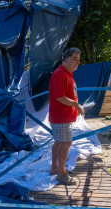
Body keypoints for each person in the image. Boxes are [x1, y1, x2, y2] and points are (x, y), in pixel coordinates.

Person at [48, 47, 85, 185]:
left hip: (63, 116)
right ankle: (61, 174)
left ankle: (55, 168)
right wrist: (76, 106)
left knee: (59, 142)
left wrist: (75, 106)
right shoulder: (59, 74)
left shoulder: (68, 74)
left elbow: (68, 95)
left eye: (78, 60)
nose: (77, 62)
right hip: (61, 116)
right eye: (74, 59)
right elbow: (59, 97)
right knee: (66, 143)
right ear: (65, 59)